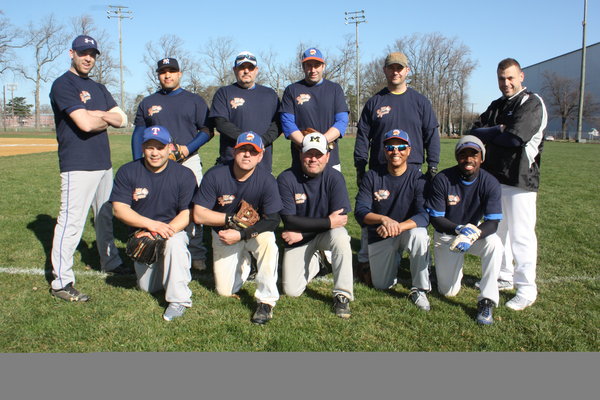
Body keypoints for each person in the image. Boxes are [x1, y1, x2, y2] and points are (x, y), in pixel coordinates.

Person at [48, 35, 129, 302]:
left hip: (103, 163)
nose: (88, 58)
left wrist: (98, 115)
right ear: (71, 53)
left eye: (92, 54)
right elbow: (83, 124)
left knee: (105, 216)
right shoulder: (63, 85)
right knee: (72, 222)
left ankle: (111, 262)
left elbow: (121, 119)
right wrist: (99, 116)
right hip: (78, 164)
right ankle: (61, 281)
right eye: (83, 53)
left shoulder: (99, 87)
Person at [470, 58, 547, 311]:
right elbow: (473, 131)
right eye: (502, 78)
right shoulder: (497, 105)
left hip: (520, 179)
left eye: (511, 77)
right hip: (493, 178)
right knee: (498, 232)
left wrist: (493, 133)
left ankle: (526, 289)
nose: (506, 83)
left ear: (521, 76)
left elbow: (515, 138)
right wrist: (497, 130)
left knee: (522, 235)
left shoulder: (532, 103)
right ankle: (503, 277)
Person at [353, 52, 440, 274]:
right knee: (372, 209)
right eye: (391, 67)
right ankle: (365, 257)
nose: (396, 72)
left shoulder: (419, 101)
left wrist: (433, 166)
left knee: (416, 212)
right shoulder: (375, 102)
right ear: (385, 70)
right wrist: (360, 167)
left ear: (407, 71)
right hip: (379, 170)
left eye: (400, 68)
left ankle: (418, 256)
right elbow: (363, 136)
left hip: (412, 169)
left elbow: (431, 134)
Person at [131, 57, 213, 272]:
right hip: (155, 162)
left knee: (193, 207)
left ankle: (196, 253)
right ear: (158, 75)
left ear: (180, 74)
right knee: (152, 204)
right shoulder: (148, 102)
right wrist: (136, 163)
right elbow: (138, 132)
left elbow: (207, 130)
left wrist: (188, 147)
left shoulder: (194, 100)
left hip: (187, 161)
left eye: (172, 71)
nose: (167, 75)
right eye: (163, 72)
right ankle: (152, 246)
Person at [193, 132, 281, 325]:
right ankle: (245, 262)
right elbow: (198, 214)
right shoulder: (216, 174)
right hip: (224, 234)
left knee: (268, 242)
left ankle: (266, 301)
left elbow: (273, 219)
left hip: (251, 232)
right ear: (234, 152)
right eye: (243, 150)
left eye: (253, 151)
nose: (247, 155)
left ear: (261, 156)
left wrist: (242, 234)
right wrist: (231, 218)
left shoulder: (266, 179)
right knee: (225, 291)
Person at [110, 126, 197, 321]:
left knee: (174, 243)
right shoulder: (128, 171)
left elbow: (188, 212)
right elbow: (119, 209)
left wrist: (162, 231)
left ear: (170, 148)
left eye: (160, 147)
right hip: (143, 234)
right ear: (143, 148)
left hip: (174, 229)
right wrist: (150, 226)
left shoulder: (184, 174)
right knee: (148, 287)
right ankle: (164, 269)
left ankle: (179, 300)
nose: (155, 153)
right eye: (150, 147)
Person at [425, 136, 503, 325]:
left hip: (473, 236)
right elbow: (436, 219)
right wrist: (459, 229)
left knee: (495, 244)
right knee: (448, 291)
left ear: (481, 158)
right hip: (447, 235)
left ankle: (487, 300)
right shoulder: (443, 179)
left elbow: (492, 223)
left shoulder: (490, 182)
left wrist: (473, 234)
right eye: (463, 154)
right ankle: (451, 270)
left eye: (473, 155)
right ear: (457, 157)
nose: (468, 159)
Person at [277, 132, 354, 319]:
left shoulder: (335, 178)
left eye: (318, 155)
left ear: (327, 157)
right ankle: (319, 262)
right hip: (306, 234)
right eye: (309, 154)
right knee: (292, 290)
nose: (313, 159)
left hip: (311, 234)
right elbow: (289, 221)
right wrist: (328, 222)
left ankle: (342, 295)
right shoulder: (286, 179)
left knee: (341, 236)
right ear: (300, 154)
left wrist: (303, 234)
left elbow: (340, 220)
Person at [354, 129, 431, 310]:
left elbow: (424, 215)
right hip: (381, 234)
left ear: (409, 150)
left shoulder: (418, 177)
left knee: (419, 235)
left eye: (401, 147)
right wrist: (384, 219)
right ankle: (391, 260)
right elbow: (360, 211)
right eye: (390, 147)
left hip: (405, 231)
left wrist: (397, 226)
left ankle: (420, 289)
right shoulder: (372, 176)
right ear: (384, 150)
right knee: (382, 285)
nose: (396, 151)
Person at [209, 51, 280, 172]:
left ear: (256, 70)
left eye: (250, 67)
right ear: (234, 69)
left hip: (262, 164)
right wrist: (247, 140)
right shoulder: (224, 93)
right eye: (242, 67)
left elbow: (278, 123)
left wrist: (261, 141)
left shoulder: (270, 94)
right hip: (230, 163)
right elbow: (220, 122)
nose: (246, 71)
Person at [279, 48, 349, 171]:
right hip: (302, 159)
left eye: (316, 65)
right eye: (308, 65)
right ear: (303, 67)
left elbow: (342, 121)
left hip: (329, 159)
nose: (313, 70)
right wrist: (308, 145)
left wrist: (320, 143)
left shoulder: (335, 89)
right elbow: (287, 123)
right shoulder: (292, 90)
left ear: (323, 66)